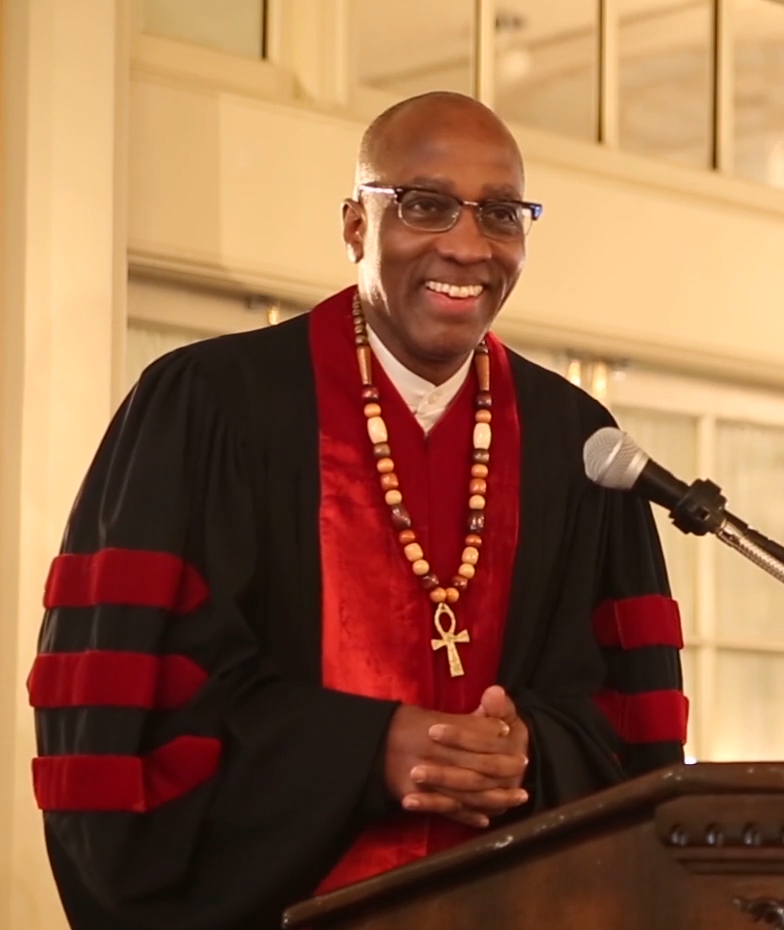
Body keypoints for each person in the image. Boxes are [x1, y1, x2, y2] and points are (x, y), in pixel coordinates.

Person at [28, 92, 687, 930]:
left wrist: (529, 748)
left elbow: (629, 727)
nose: (466, 243)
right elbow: (129, 702)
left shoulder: (576, 442)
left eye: (500, 214)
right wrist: (367, 749)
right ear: (353, 225)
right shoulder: (209, 408)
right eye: (425, 204)